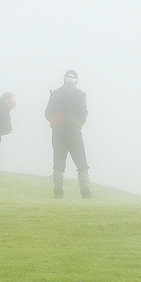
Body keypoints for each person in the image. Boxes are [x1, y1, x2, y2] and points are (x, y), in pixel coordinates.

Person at [45, 69, 90, 198]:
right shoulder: (81, 95)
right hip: (75, 132)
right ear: (76, 80)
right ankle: (85, 192)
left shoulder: (55, 94)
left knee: (58, 163)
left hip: (58, 132)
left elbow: (47, 113)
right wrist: (78, 124)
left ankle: (58, 192)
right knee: (81, 162)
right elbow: (84, 114)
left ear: (64, 79)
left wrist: (55, 121)